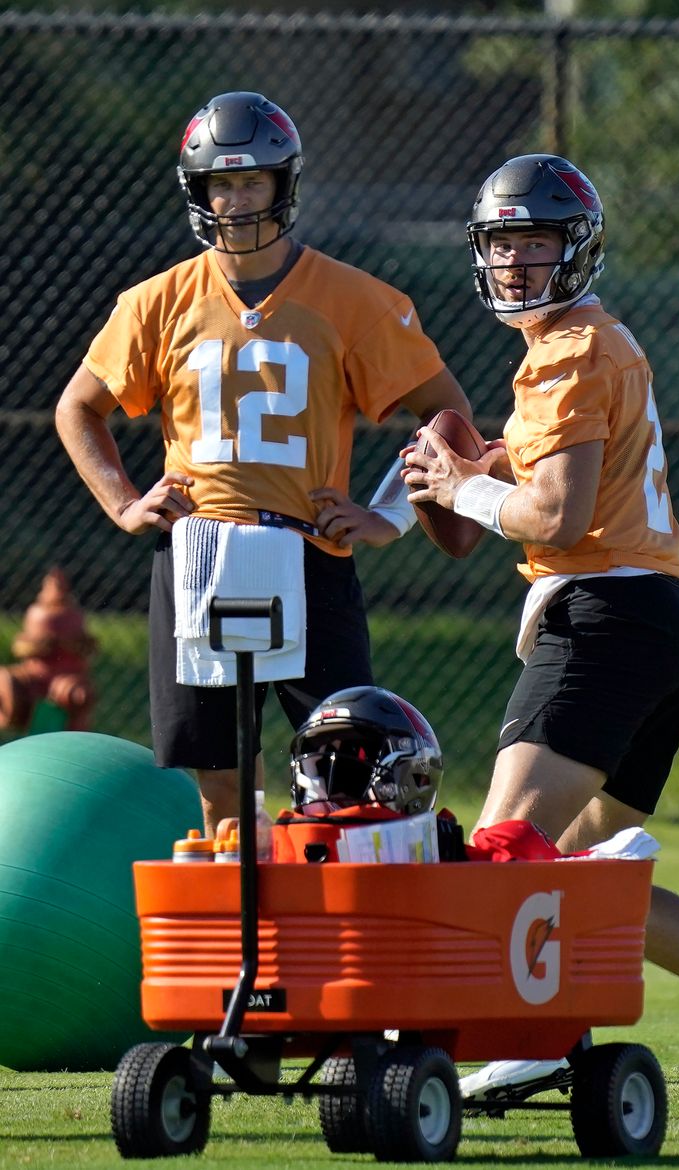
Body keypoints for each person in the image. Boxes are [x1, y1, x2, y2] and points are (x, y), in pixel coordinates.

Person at [402, 154, 679, 1115]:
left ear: (575, 249)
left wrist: (465, 487)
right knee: (577, 881)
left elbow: (560, 519)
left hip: (606, 616)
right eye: (502, 244)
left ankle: (524, 1036)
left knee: (505, 854)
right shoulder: (590, 343)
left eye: (535, 243)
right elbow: (543, 494)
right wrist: (467, 478)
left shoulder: (570, 350)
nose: (517, 263)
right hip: (655, 620)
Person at [55, 90, 470, 839]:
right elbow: (77, 408)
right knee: (216, 780)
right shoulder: (156, 302)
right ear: (199, 192)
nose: (237, 201)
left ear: (284, 186)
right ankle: (234, 944)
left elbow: (448, 419)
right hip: (197, 552)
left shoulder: (355, 299)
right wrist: (122, 502)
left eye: (252, 183)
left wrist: (392, 517)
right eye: (222, 183)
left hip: (310, 547)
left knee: (351, 766)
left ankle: (338, 943)